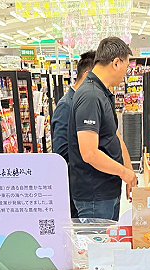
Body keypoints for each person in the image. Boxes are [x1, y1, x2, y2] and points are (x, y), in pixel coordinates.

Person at [68, 36, 137, 220]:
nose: (126, 73)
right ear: (116, 63)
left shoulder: (101, 93)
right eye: (127, 67)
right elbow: (89, 153)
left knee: (108, 239)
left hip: (106, 191)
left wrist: (129, 173)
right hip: (94, 196)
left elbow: (113, 136)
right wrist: (124, 173)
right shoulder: (90, 96)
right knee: (96, 239)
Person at [51, 50, 95, 219]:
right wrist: (91, 153)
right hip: (77, 188)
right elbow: (61, 153)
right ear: (88, 75)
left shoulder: (85, 102)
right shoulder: (67, 105)